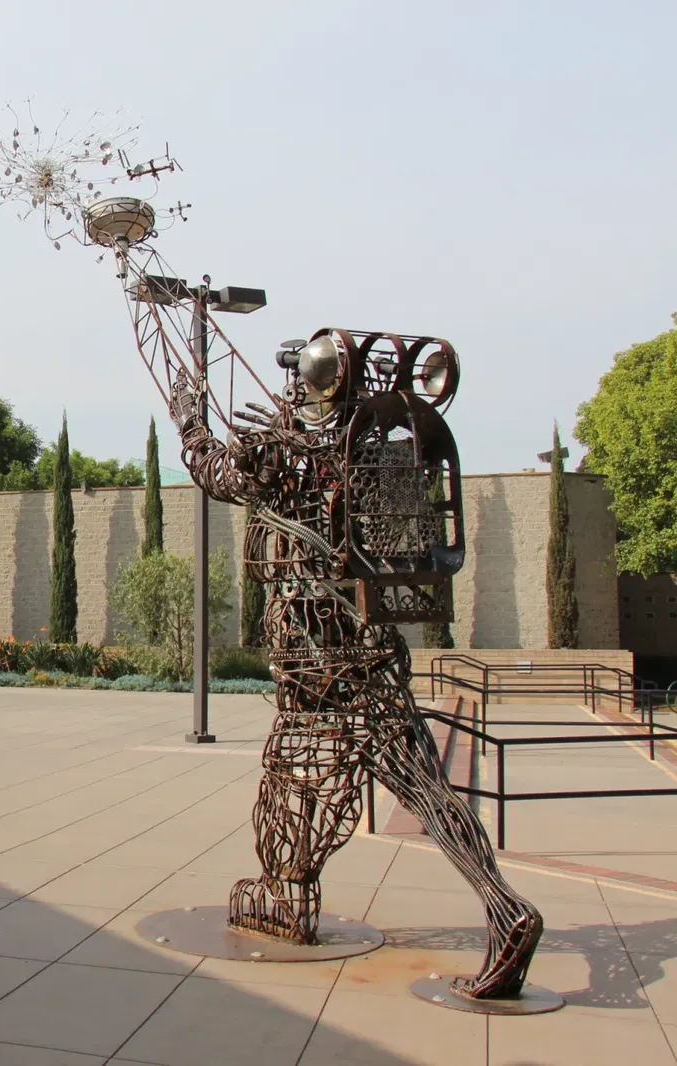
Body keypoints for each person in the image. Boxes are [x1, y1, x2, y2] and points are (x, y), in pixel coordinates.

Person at [165, 329, 541, 1000]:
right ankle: (502, 904)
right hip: (373, 652)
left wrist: (189, 416)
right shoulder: (374, 449)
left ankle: (287, 898)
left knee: (295, 782)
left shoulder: (282, 451)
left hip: (317, 661)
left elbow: (215, 469)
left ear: (305, 385)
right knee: (426, 789)